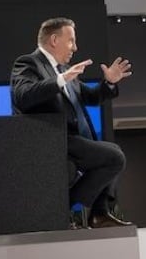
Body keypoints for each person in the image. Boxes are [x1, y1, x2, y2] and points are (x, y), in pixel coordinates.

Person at [10, 17, 133, 228]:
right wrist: (60, 80)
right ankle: (64, 208)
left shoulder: (65, 70)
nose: (75, 48)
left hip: (73, 142)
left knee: (113, 153)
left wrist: (109, 83)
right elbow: (23, 95)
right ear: (54, 40)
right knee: (114, 157)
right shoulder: (29, 63)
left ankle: (98, 213)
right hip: (52, 140)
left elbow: (92, 97)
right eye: (71, 41)